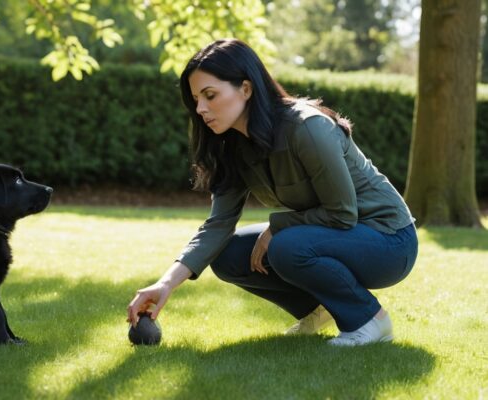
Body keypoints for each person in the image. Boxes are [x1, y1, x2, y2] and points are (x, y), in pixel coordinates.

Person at [126, 38, 418, 346]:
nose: (200, 108)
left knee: (286, 245)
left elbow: (342, 214)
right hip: (334, 234)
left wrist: (276, 227)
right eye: (196, 99)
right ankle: (317, 309)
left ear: (246, 89)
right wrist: (165, 284)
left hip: (390, 242)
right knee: (228, 254)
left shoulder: (308, 128)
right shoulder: (233, 146)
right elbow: (218, 225)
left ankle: (369, 321)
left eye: (210, 95)